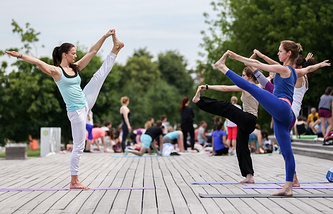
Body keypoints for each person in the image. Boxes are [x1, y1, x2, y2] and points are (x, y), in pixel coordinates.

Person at [5, 29, 124, 189]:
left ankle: (115, 49)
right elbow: (38, 63)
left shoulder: (75, 68)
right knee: (79, 146)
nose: (75, 56)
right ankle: (74, 181)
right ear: (64, 55)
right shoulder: (56, 72)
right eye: (73, 53)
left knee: (98, 76)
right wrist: (19, 56)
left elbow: (93, 51)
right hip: (76, 112)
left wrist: (104, 37)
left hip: (84, 101)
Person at [214, 40, 330, 196]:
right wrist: (320, 65)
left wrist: (236, 57)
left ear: (288, 53)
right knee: (287, 152)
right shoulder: (294, 72)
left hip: (282, 108)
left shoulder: (283, 69)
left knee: (251, 87)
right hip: (282, 117)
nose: (278, 53)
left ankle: (222, 67)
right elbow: (309, 68)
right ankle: (289, 186)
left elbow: (258, 64)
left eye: (280, 51)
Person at [192, 67, 259, 184]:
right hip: (249, 122)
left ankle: (199, 101)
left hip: (247, 118)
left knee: (226, 107)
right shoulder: (259, 86)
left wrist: (207, 87)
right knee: (241, 147)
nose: (241, 77)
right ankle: (249, 176)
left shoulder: (247, 86)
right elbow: (266, 77)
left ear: (249, 76)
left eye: (243, 75)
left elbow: (224, 88)